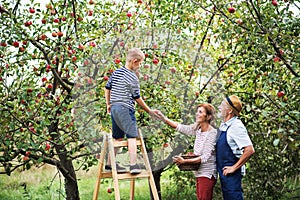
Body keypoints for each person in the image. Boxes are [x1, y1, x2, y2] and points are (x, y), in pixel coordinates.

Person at [105, 48, 159, 174]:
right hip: (125, 108)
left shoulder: (116, 72)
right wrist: (149, 110)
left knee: (117, 138)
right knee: (132, 137)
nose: (139, 66)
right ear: (134, 61)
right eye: (139, 63)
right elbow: (137, 97)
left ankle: (109, 165)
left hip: (114, 109)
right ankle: (133, 165)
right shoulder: (132, 77)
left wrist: (108, 104)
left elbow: (107, 88)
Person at [157, 103, 218, 200]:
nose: (197, 114)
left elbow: (204, 157)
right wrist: (164, 118)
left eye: (200, 112)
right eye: (197, 111)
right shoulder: (198, 129)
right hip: (199, 173)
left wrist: (185, 161)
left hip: (207, 174)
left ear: (208, 116)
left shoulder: (212, 133)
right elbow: (180, 127)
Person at [216, 95, 255, 200]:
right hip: (224, 174)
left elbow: (249, 150)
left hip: (232, 175)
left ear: (229, 110)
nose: (219, 107)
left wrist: (234, 167)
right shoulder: (225, 125)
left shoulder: (236, 126)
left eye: (222, 105)